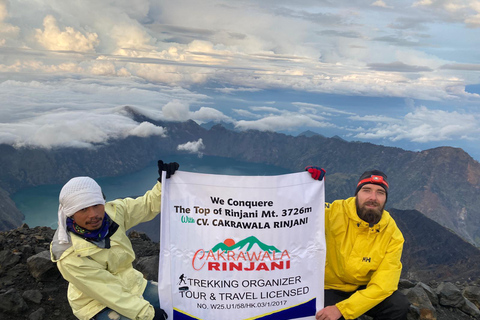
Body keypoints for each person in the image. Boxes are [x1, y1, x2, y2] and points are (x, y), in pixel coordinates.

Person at [50, 160, 179, 320]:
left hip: (132, 283)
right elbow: (107, 291)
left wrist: (163, 184)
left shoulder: (112, 214)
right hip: (95, 303)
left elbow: (146, 205)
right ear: (71, 213)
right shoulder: (69, 254)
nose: (94, 214)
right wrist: (148, 314)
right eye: (83, 209)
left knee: (179, 300)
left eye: (97, 205)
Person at [306, 167, 409, 320]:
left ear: (385, 199)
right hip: (328, 287)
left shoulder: (392, 234)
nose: (373, 197)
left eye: (380, 193)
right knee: (321, 315)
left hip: (364, 287)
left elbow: (384, 284)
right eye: (366, 190)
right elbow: (300, 214)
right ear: (356, 194)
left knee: (398, 305)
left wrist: (343, 309)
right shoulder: (333, 213)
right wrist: (308, 187)